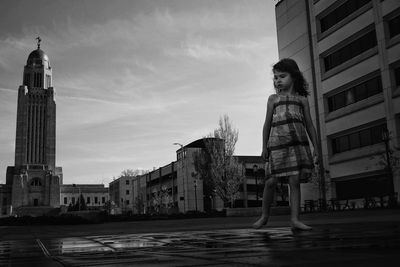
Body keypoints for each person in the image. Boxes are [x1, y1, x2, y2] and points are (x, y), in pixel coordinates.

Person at [253, 58, 319, 230]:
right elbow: (266, 124)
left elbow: (310, 125)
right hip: (276, 146)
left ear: (294, 76)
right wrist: (263, 146)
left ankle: (295, 219)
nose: (277, 80)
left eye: (282, 76)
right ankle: (264, 216)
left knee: (294, 181)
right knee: (270, 181)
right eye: (275, 77)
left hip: (297, 145)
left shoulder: (302, 100)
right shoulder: (273, 99)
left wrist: (317, 148)